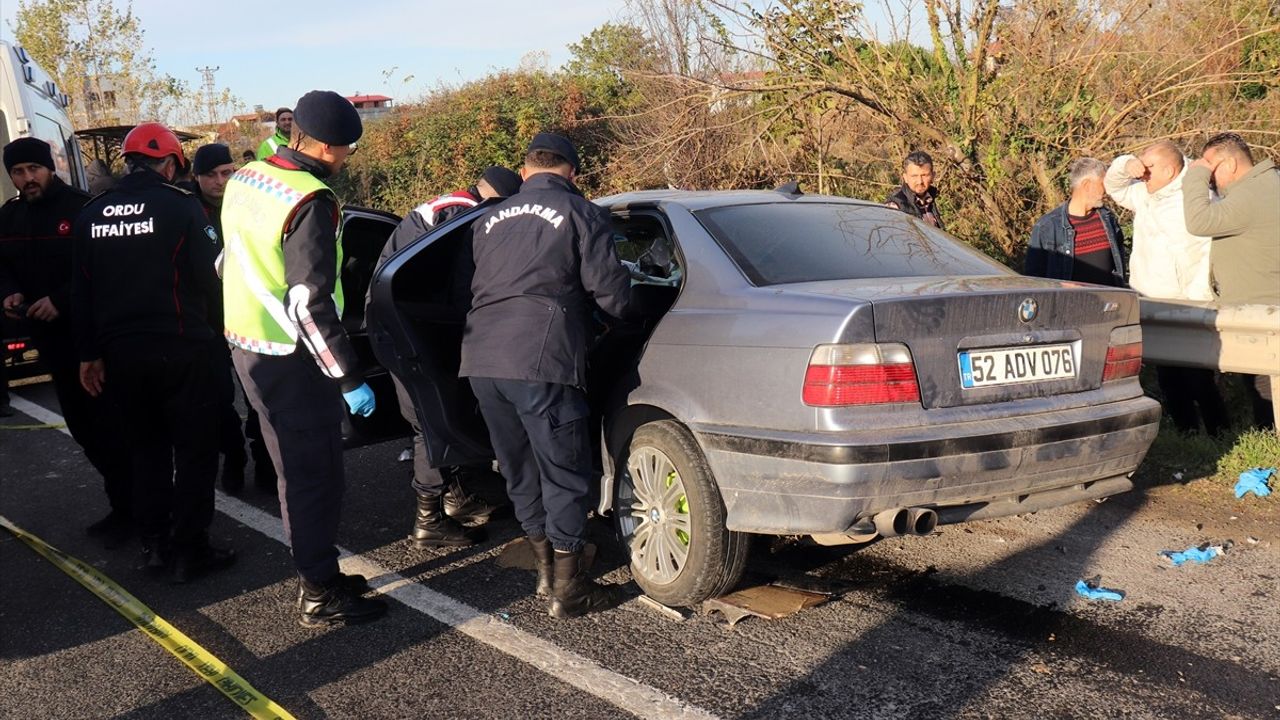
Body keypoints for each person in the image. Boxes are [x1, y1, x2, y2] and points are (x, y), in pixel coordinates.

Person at [222, 90, 386, 626]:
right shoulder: (310, 200)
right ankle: (320, 592)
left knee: (293, 467)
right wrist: (346, 374)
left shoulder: (248, 178)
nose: (343, 161)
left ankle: (322, 571)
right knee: (313, 474)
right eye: (345, 151)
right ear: (328, 147)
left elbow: (227, 259)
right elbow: (307, 301)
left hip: (247, 345)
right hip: (291, 358)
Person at [462, 133, 634, 619]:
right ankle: (570, 589)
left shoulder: (489, 218)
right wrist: (624, 321)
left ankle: (544, 574)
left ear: (524, 171)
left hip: (480, 358)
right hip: (540, 358)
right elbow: (613, 295)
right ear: (573, 173)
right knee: (563, 469)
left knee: (518, 467)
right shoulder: (583, 213)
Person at [71, 123, 233, 581]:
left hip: (120, 357)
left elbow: (80, 292)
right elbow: (214, 276)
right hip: (184, 349)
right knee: (196, 451)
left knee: (147, 452)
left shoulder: (91, 213)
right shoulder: (181, 207)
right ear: (170, 164)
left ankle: (155, 546)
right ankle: (191, 549)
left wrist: (88, 354)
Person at [368, 166, 522, 549]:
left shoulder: (453, 206)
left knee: (440, 415)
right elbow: (461, 289)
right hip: (408, 328)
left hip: (398, 322)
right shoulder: (461, 216)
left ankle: (455, 495)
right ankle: (429, 521)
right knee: (430, 423)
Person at [1, 138, 133, 542]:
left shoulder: (80, 209)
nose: (27, 179)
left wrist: (59, 300)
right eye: (18, 172)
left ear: (49, 169)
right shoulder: (9, 216)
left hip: (92, 340)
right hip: (51, 343)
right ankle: (124, 505)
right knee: (83, 429)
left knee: (111, 426)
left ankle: (138, 509)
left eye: (33, 170)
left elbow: (104, 271)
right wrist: (10, 292)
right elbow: (1, 265)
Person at [1106, 140, 1227, 436]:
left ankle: (1219, 431)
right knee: (1168, 375)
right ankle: (1186, 431)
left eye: (1148, 168)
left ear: (1170, 170)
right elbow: (1114, 185)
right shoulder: (1145, 194)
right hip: (1150, 299)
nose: (1142, 174)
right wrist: (1126, 163)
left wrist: (1201, 296)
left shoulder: (1196, 197)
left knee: (1197, 376)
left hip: (1189, 302)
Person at [189, 143, 278, 495]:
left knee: (259, 397)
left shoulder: (250, 205)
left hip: (248, 318)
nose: (220, 181)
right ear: (196, 177)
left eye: (226, 172)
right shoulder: (188, 211)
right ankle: (234, 458)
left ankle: (267, 464)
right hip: (206, 323)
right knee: (218, 399)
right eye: (210, 175)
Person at [1183, 132, 1280, 428]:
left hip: (1263, 312)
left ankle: (1268, 453)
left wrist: (1194, 176)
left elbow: (1198, 221)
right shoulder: (1266, 184)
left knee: (1265, 391)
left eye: (1212, 170)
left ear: (1229, 164)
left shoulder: (1253, 194)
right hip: (1261, 308)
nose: (1210, 179)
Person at [1025, 158, 1126, 286]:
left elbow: (1118, 267)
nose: (1107, 191)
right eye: (1103, 185)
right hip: (1068, 304)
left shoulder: (1108, 219)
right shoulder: (1048, 227)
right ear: (1087, 185)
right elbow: (1033, 279)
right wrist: (1059, 286)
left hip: (1107, 303)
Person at [885, 151, 944, 229]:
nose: (920, 181)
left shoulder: (931, 200)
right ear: (905, 177)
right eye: (914, 176)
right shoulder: (895, 206)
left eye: (924, 175)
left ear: (933, 176)